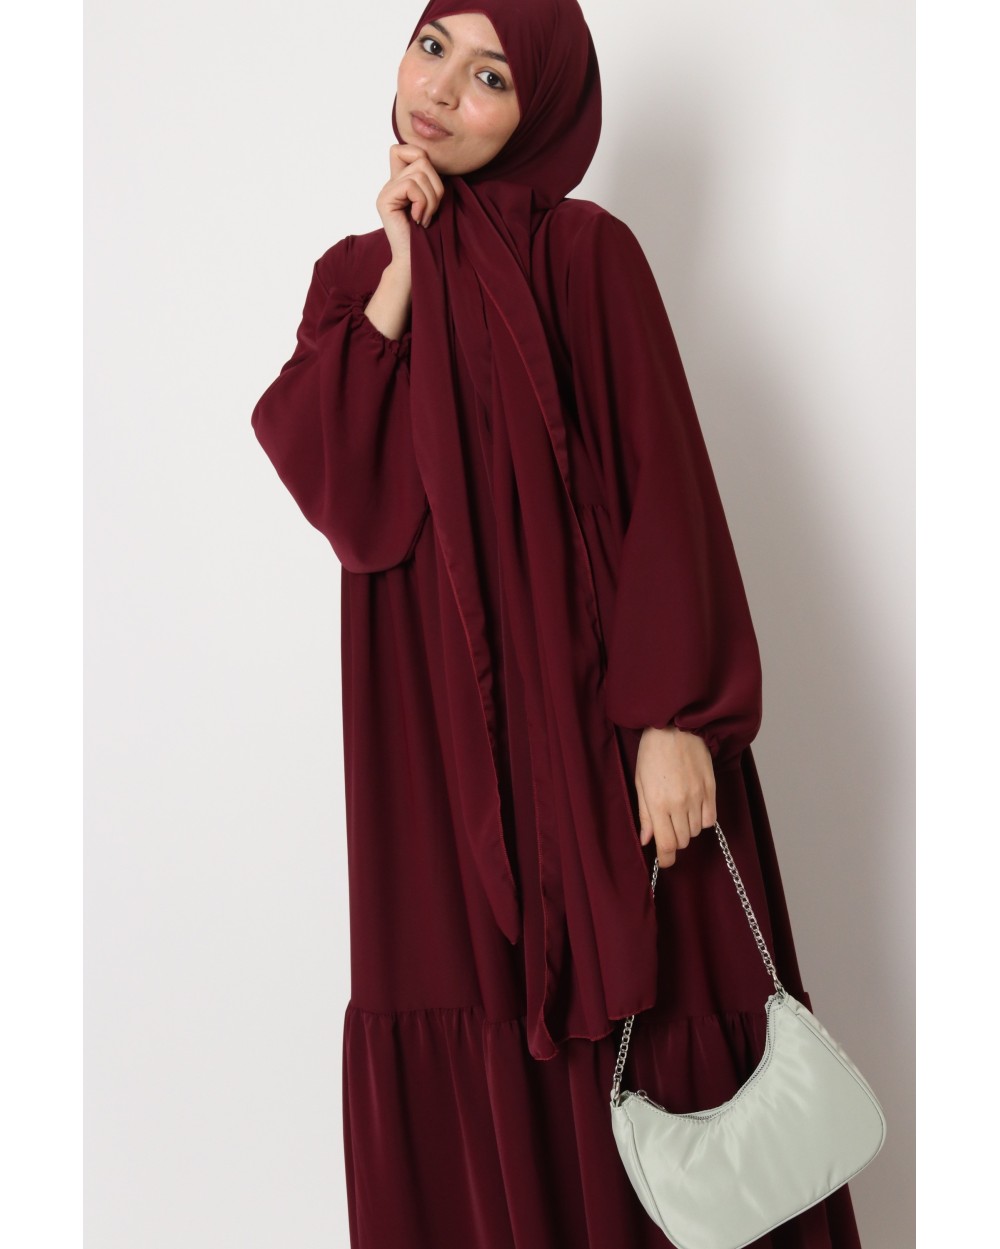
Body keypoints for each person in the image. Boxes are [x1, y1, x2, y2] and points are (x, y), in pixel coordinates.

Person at [251, 2, 866, 1245]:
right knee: (464, 1006)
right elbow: (351, 504)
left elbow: (665, 489)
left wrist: (674, 720)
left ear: (542, 109)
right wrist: (403, 277)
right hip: (434, 757)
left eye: (490, 77)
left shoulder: (586, 256)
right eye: (434, 48)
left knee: (665, 1002)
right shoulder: (354, 282)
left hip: (610, 739)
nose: (441, 91)